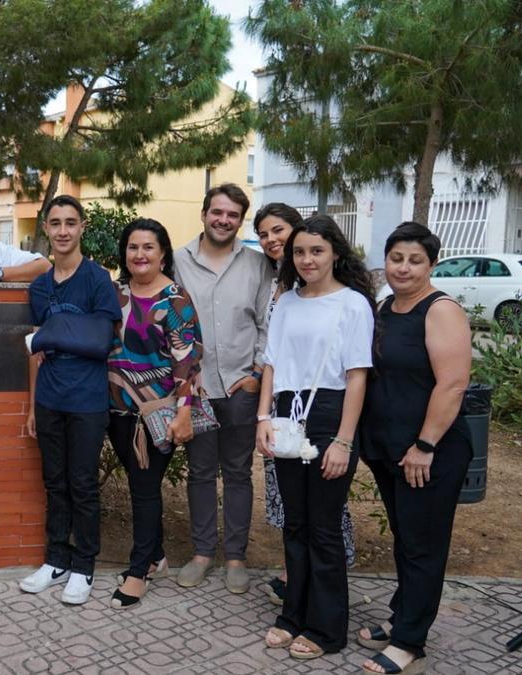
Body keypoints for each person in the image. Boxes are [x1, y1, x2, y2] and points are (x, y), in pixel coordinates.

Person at [255, 214, 375, 661]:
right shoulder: (286, 301)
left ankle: (327, 628)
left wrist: (344, 440)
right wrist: (263, 417)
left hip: (330, 414)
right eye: (300, 251)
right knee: (295, 523)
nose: (307, 259)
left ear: (336, 254)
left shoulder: (353, 304)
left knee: (324, 528)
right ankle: (293, 615)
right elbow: (271, 363)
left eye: (316, 251)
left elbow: (357, 376)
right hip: (286, 412)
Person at [359, 223, 472, 675]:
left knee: (423, 545)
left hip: (430, 451)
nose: (403, 268)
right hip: (390, 447)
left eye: (415, 260)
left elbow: (453, 383)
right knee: (406, 539)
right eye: (396, 258)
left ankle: (410, 643)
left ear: (431, 265)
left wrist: (425, 445)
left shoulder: (440, 310)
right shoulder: (385, 307)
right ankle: (401, 615)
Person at [19, 194, 121, 605]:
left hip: (86, 399)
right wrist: (30, 405)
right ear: (46, 228)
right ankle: (56, 558)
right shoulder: (40, 287)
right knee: (54, 482)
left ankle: (84, 566)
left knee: (82, 485)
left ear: (81, 228)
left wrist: (55, 333)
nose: (63, 230)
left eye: (70, 223)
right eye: (56, 223)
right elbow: (36, 351)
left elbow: (101, 341)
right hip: (49, 398)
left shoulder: (97, 280)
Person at [172, 183, 273, 594]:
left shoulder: (257, 264)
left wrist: (256, 371)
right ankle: (201, 553)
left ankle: (235, 557)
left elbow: (268, 322)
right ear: (204, 214)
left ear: (240, 220)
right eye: (217, 212)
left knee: (236, 474)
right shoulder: (179, 260)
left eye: (233, 215)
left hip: (240, 387)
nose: (224, 220)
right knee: (198, 473)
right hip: (196, 389)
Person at [106, 219, 202, 609]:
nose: (140, 255)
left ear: (163, 253)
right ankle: (158, 554)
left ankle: (138, 569)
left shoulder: (175, 301)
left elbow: (188, 362)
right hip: (117, 408)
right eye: (133, 247)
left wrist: (184, 413)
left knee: (144, 489)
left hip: (158, 412)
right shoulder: (115, 294)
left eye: (148, 247)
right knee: (139, 484)